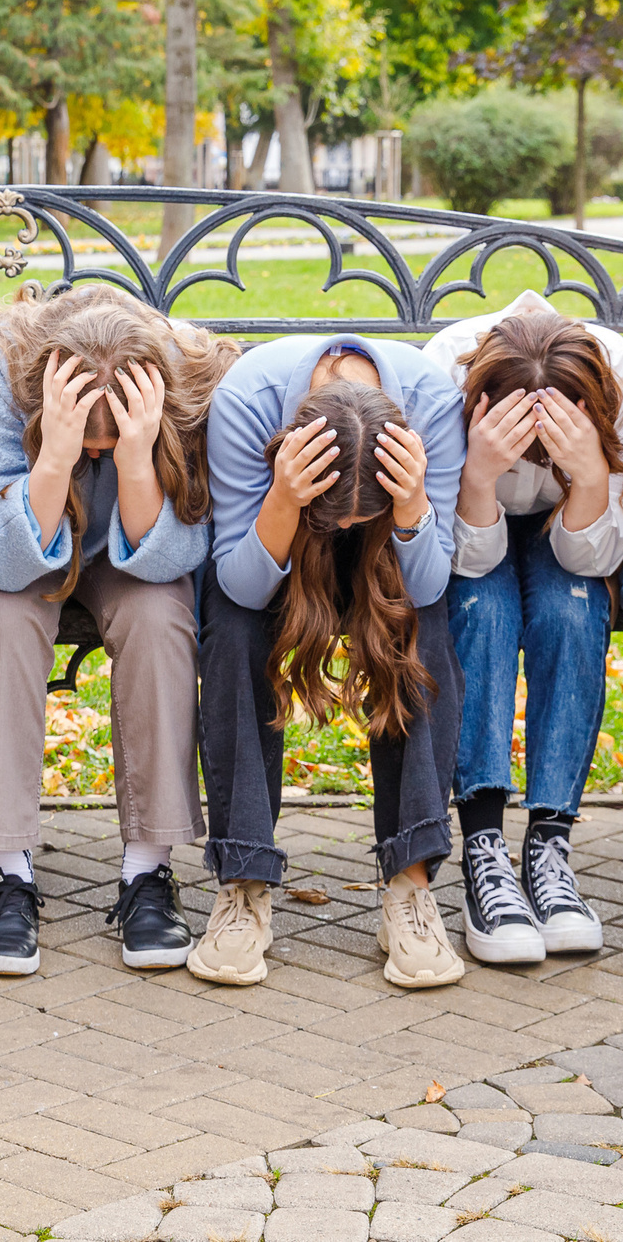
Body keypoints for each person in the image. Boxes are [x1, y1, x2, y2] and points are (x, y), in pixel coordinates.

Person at [0, 287, 242, 976]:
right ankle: (4, 871)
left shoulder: (185, 375)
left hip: (133, 550)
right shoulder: (3, 370)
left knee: (160, 616)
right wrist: (55, 457)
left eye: (104, 444)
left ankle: (147, 870)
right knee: (0, 620)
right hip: (31, 542)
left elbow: (177, 554)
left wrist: (136, 459)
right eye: (94, 443)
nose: (98, 452)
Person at [190, 333, 469, 991]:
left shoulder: (432, 404)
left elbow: (429, 584)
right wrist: (285, 499)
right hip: (283, 545)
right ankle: (244, 880)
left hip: (390, 553)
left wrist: (409, 506)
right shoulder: (246, 403)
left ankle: (410, 885)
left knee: (421, 624)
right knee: (231, 625)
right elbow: (238, 582)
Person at [424, 290, 623, 965]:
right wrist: (480, 473)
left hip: (575, 532)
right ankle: (484, 850)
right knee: (482, 608)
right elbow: (466, 556)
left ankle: (551, 843)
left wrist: (587, 474)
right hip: (476, 525)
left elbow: (596, 554)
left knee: (572, 605)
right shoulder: (442, 376)